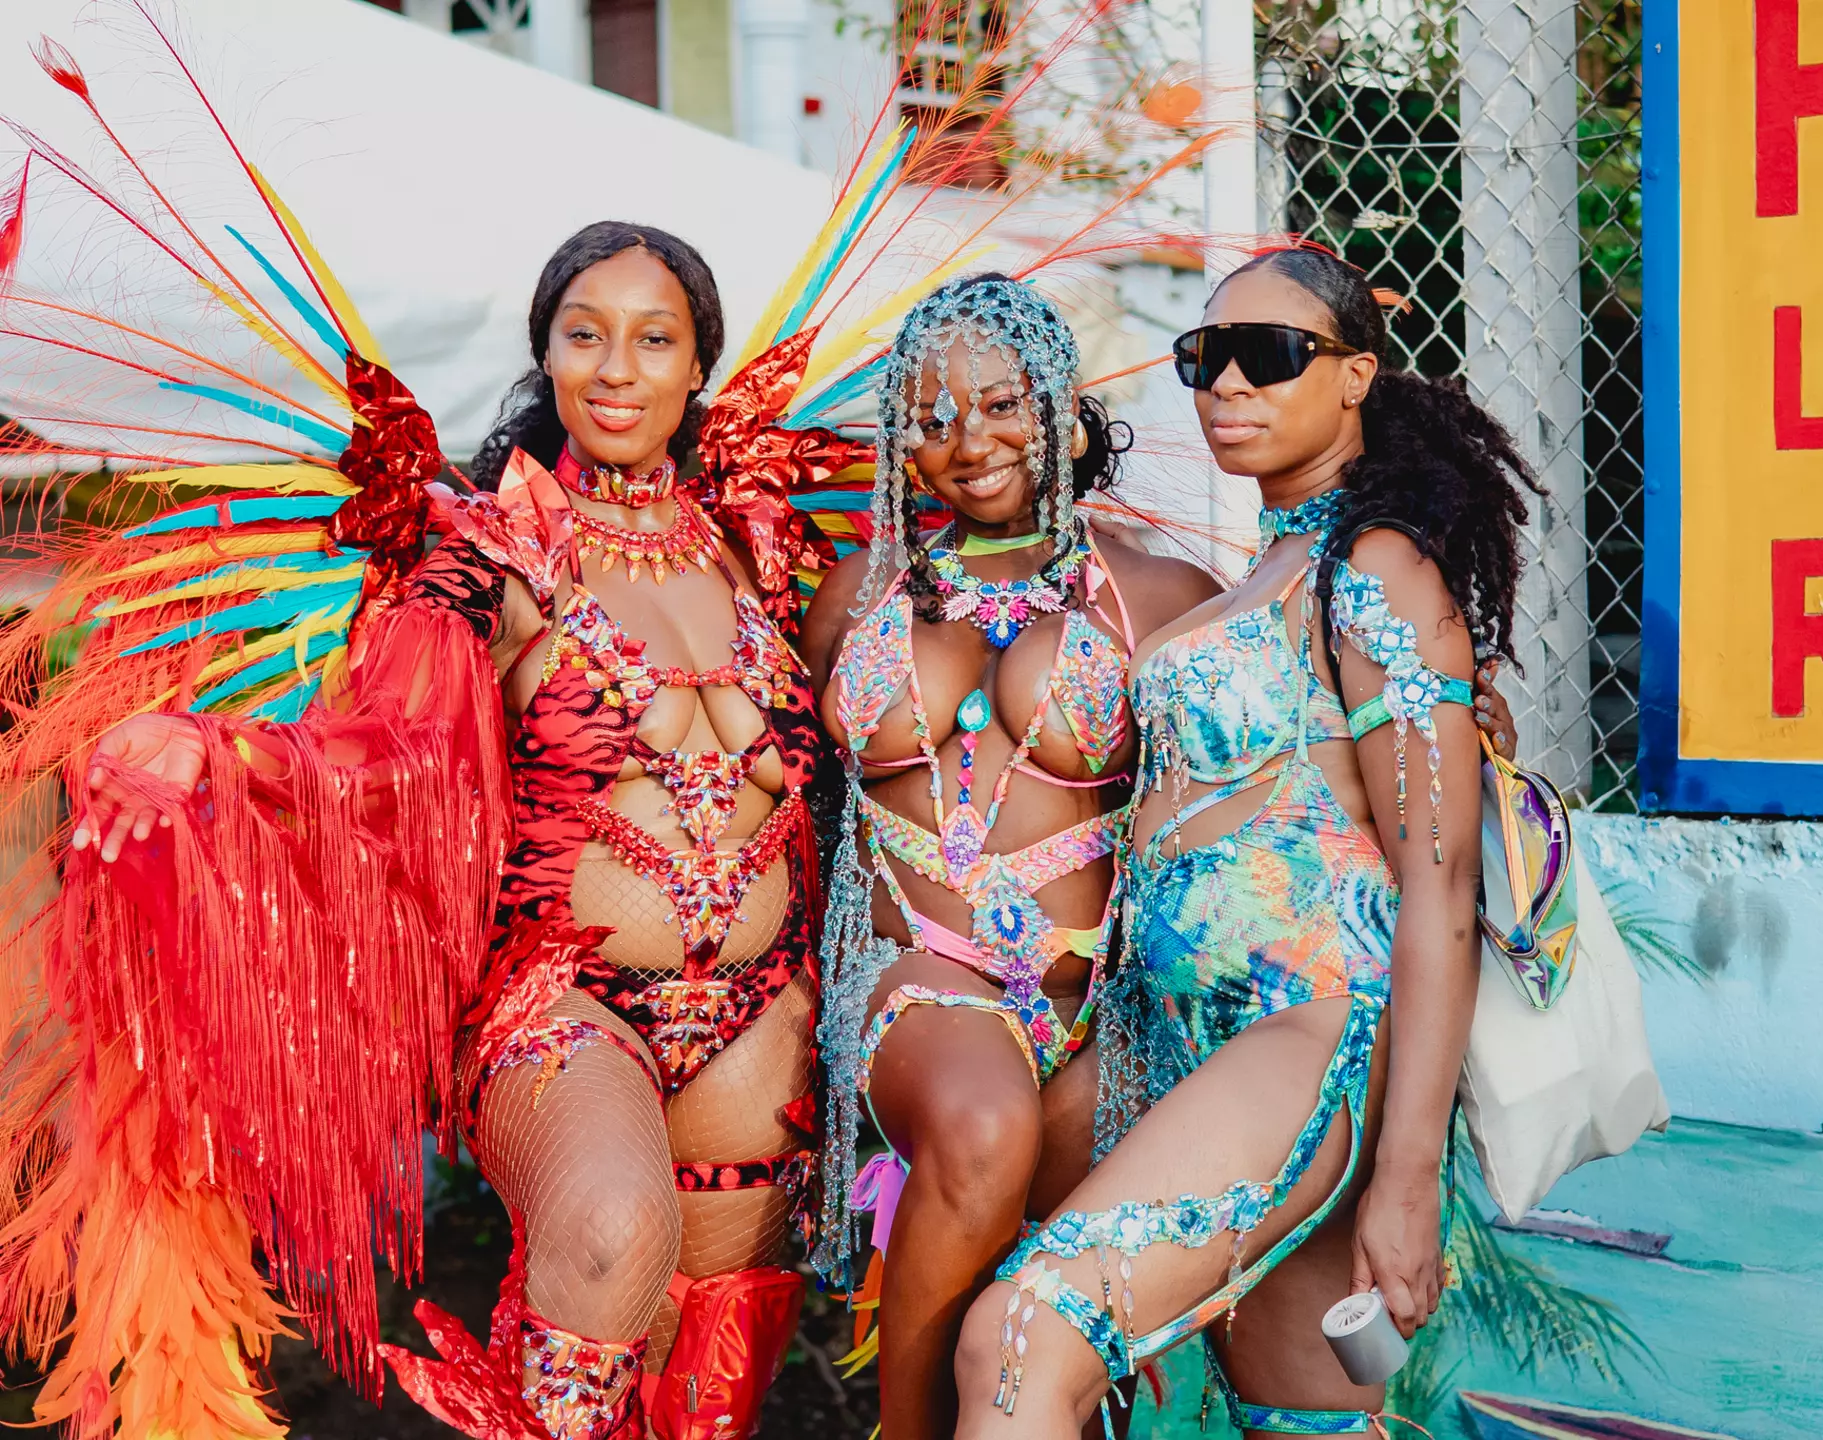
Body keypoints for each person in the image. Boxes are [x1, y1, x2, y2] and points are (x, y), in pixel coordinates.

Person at [69, 222, 825, 1439]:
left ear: (700, 370)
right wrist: (221, 751)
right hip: (564, 1002)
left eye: (652, 340)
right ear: (547, 357)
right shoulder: (488, 549)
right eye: (585, 337)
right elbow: (385, 747)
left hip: (760, 1015)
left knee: (711, 1383)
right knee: (605, 1233)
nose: (616, 370)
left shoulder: (768, 548)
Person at [949, 241, 1542, 1437]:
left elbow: (1440, 893)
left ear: (1355, 375)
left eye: (1267, 357)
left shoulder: (1372, 572)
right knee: (1306, 1423)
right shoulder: (1259, 573)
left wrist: (1407, 1173)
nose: (1225, 385)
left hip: (1306, 1041)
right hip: (1180, 1052)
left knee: (1018, 1341)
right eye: (1202, 358)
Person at [800, 274, 1218, 1439]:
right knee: (985, 1129)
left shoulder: (1160, 595)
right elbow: (785, 796)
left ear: (1060, 407)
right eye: (929, 421)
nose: (967, 442)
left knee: (1051, 1337)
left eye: (997, 405)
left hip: (1098, 1006)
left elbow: (1269, 745)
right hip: (914, 977)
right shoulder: (856, 597)